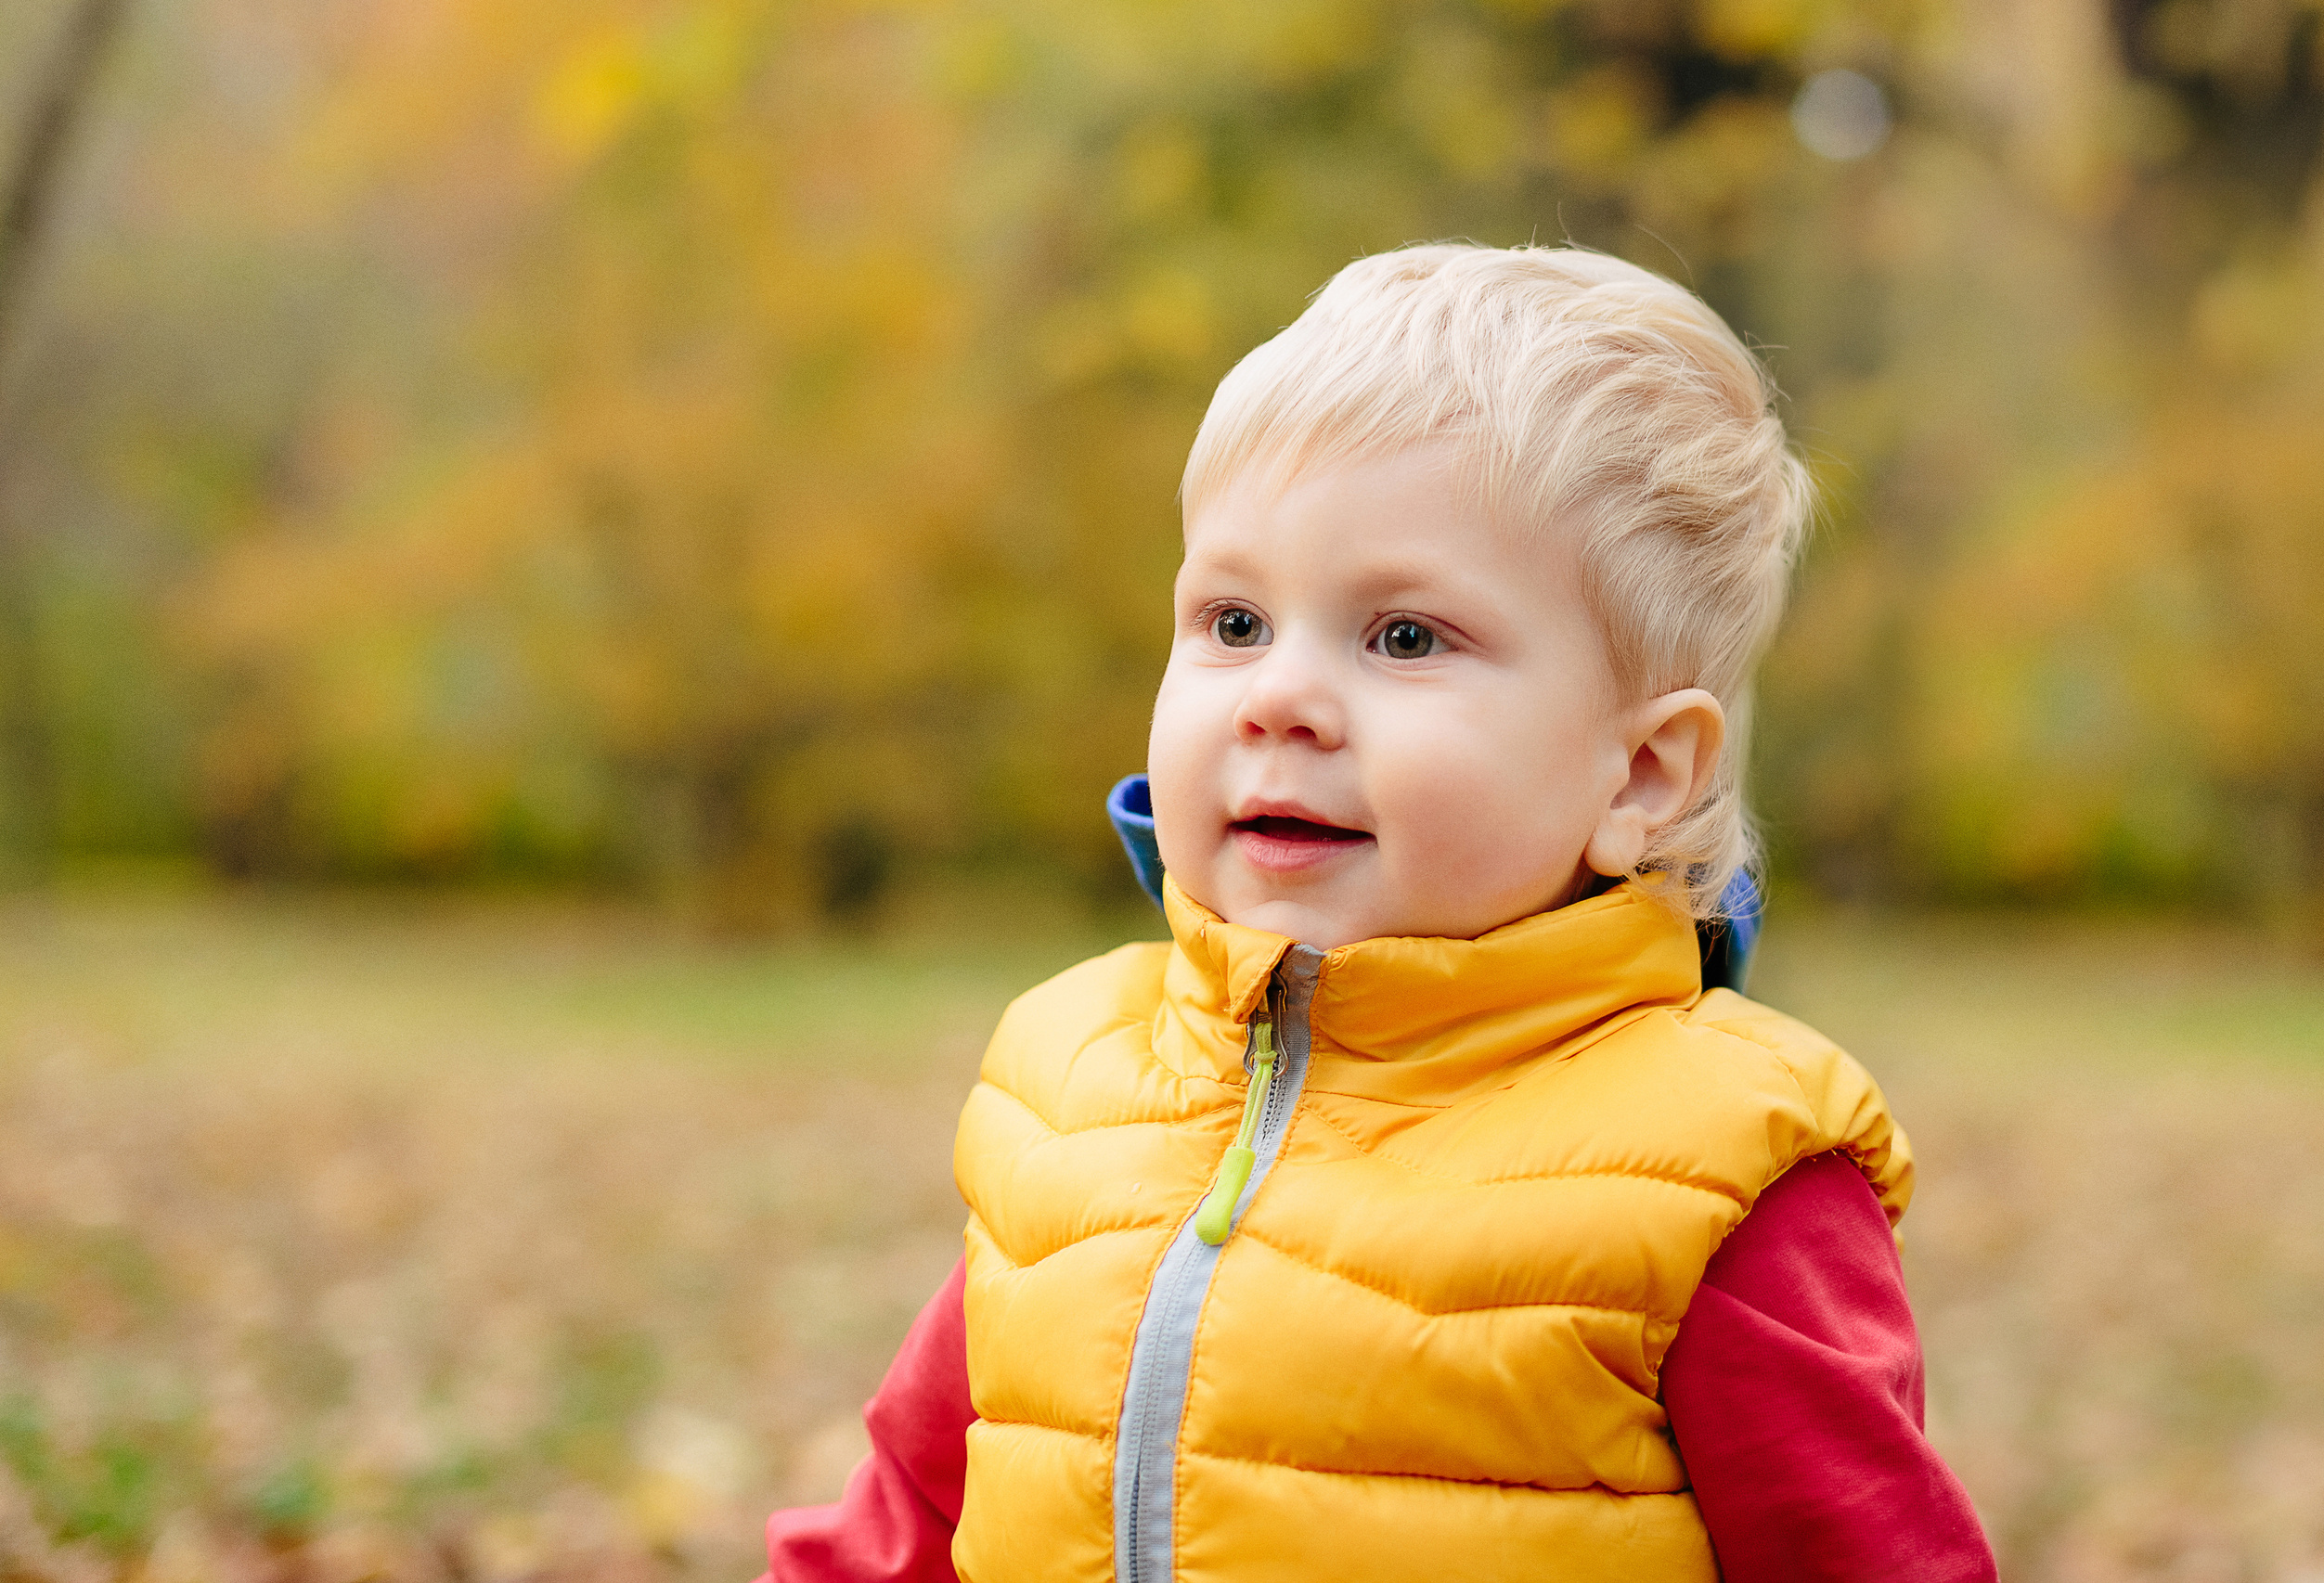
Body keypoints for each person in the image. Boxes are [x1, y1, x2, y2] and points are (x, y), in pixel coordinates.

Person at [760, 245, 1997, 1581]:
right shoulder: (1071, 1093)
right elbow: (908, 1513)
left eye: (1403, 637)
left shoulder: (1714, 1175)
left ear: (1640, 774)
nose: (1278, 697)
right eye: (1234, 621)